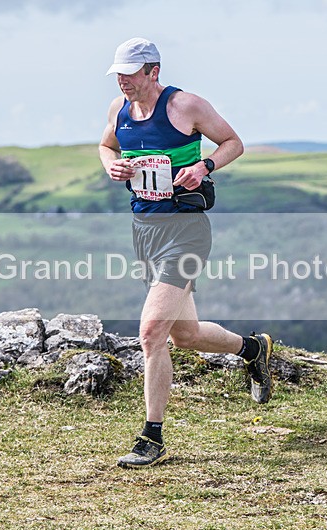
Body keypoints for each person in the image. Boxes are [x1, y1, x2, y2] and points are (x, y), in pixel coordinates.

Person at [98, 37, 274, 468]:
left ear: (153, 72)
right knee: (185, 335)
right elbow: (107, 146)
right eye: (118, 73)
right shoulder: (119, 111)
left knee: (151, 332)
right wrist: (111, 165)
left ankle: (151, 438)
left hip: (186, 230)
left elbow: (232, 141)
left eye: (130, 73)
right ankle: (252, 350)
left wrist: (204, 166)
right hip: (145, 231)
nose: (122, 80)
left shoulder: (186, 106)